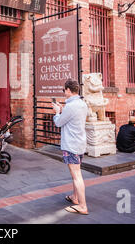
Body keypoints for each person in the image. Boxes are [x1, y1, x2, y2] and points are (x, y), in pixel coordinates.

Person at [52, 79, 89, 215]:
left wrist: (57, 112)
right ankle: (75, 197)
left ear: (68, 90)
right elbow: (72, 118)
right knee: (77, 173)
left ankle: (83, 206)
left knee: (76, 176)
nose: (63, 92)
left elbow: (59, 123)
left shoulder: (71, 106)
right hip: (79, 142)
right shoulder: (82, 104)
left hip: (71, 144)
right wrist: (62, 109)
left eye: (64, 90)